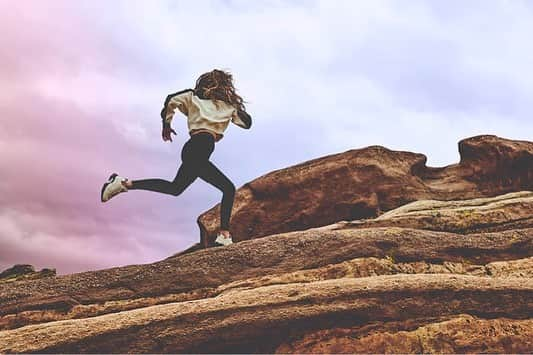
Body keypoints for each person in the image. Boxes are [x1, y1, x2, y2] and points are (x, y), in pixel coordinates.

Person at [100, 69, 252, 247]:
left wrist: (166, 123)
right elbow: (247, 123)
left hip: (194, 150)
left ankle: (123, 183)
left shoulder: (198, 98)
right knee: (228, 188)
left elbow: (171, 100)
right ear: (227, 86)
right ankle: (224, 234)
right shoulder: (209, 102)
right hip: (199, 147)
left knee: (175, 188)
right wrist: (236, 104)